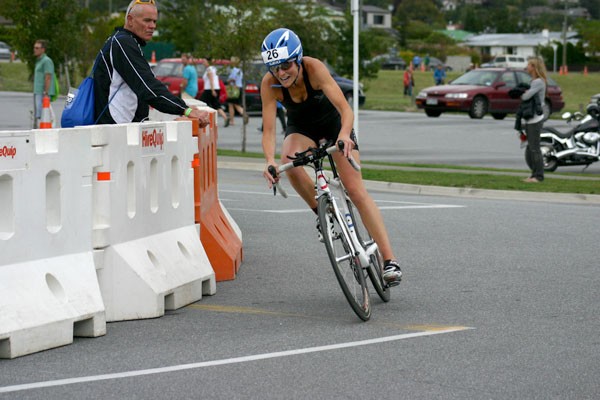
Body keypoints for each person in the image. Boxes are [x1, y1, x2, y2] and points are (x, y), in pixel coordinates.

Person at [260, 28, 402, 286]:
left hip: (335, 126)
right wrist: (269, 159)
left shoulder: (314, 69)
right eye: (274, 68)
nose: (281, 73)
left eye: (286, 65)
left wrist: (346, 135)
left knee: (355, 190)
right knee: (286, 164)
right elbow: (269, 130)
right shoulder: (270, 85)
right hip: (302, 130)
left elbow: (346, 110)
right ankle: (322, 214)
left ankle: (389, 260)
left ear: (298, 58)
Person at [93, 0, 209, 126]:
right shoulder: (123, 44)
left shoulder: (124, 41)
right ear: (130, 20)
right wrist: (185, 110)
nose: (153, 26)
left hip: (122, 128)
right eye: (147, 20)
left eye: (154, 21)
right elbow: (148, 87)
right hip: (116, 130)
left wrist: (183, 108)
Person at [521, 57, 547, 183]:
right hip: (531, 119)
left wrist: (523, 93)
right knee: (531, 148)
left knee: (535, 148)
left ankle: (539, 176)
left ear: (534, 67)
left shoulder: (538, 82)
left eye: (529, 65)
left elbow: (526, 96)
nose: (527, 67)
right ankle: (533, 175)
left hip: (535, 119)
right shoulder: (534, 81)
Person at [33, 39, 56, 128]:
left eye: (37, 48)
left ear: (43, 49)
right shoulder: (39, 61)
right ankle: (40, 127)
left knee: (44, 112)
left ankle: (46, 128)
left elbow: (48, 77)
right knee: (39, 113)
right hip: (38, 91)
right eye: (34, 48)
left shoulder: (46, 61)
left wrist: (46, 92)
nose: (35, 49)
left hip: (43, 92)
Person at [200, 58, 229, 126]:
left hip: (209, 89)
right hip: (215, 88)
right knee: (215, 105)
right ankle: (225, 117)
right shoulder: (214, 68)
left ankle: (204, 119)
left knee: (202, 103)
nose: (203, 63)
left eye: (204, 61)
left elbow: (211, 80)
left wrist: (212, 90)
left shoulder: (209, 69)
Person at [226, 56, 245, 126]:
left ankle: (232, 120)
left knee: (231, 105)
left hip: (234, 88)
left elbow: (232, 79)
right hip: (239, 87)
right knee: (236, 104)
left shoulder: (234, 70)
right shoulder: (240, 70)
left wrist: (228, 80)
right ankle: (243, 114)